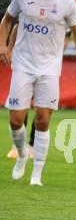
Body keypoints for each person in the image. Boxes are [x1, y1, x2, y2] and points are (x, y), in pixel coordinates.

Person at [0, 0, 76, 186]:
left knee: (43, 120)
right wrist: (3, 45)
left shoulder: (67, 3)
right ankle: (21, 153)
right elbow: (9, 21)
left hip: (50, 70)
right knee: (16, 120)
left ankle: (36, 176)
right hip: (23, 66)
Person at [6, 24, 71, 159]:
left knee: (42, 110)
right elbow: (17, 27)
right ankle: (18, 147)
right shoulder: (32, 10)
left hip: (47, 70)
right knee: (21, 108)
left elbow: (64, 42)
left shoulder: (62, 17)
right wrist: (11, 49)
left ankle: (32, 146)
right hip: (26, 68)